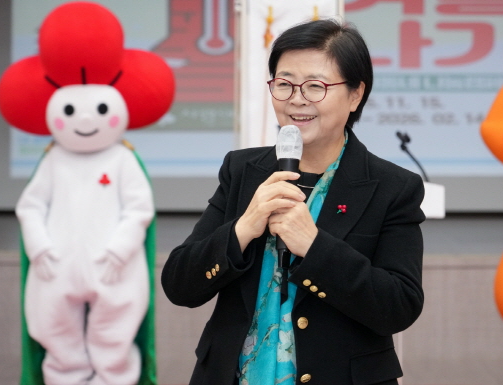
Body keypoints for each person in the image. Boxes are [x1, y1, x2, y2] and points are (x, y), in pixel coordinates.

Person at [161, 19, 425, 385]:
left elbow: (399, 306)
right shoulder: (242, 171)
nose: (297, 99)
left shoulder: (392, 187)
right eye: (284, 84)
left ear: (355, 94)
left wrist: (315, 248)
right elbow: (179, 285)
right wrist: (243, 228)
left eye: (316, 86)